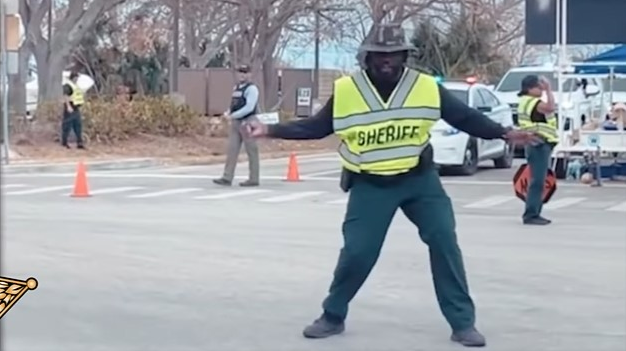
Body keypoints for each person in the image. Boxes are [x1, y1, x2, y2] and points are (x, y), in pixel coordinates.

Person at [242, 24, 540, 347]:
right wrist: (270, 131)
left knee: (444, 240)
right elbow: (316, 127)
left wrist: (503, 133)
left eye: (394, 54)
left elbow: (463, 117)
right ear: (367, 58)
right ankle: (333, 314)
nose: (387, 61)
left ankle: (463, 323)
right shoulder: (347, 90)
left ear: (405, 56)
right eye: (380, 55)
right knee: (358, 252)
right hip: (371, 184)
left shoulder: (425, 87)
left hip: (419, 180)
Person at [517, 75, 558, 225]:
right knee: (538, 181)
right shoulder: (533, 102)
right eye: (538, 87)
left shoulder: (525, 102)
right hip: (538, 143)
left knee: (538, 179)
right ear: (530, 88)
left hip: (536, 142)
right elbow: (550, 108)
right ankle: (531, 214)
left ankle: (533, 212)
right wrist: (549, 90)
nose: (541, 90)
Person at [213, 64, 261, 187]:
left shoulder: (252, 89)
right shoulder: (236, 88)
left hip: (248, 121)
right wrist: (227, 113)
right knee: (232, 150)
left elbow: (249, 107)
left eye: (245, 72)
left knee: (252, 150)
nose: (242, 75)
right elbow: (233, 105)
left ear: (249, 74)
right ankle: (227, 177)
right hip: (236, 122)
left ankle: (254, 178)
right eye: (240, 72)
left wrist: (233, 116)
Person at [61, 71, 85, 149]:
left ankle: (79, 143)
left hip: (76, 108)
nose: (77, 79)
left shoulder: (75, 85)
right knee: (67, 126)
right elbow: (65, 96)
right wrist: (68, 106)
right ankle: (64, 142)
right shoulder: (68, 85)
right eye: (76, 78)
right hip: (70, 107)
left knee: (78, 125)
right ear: (73, 78)